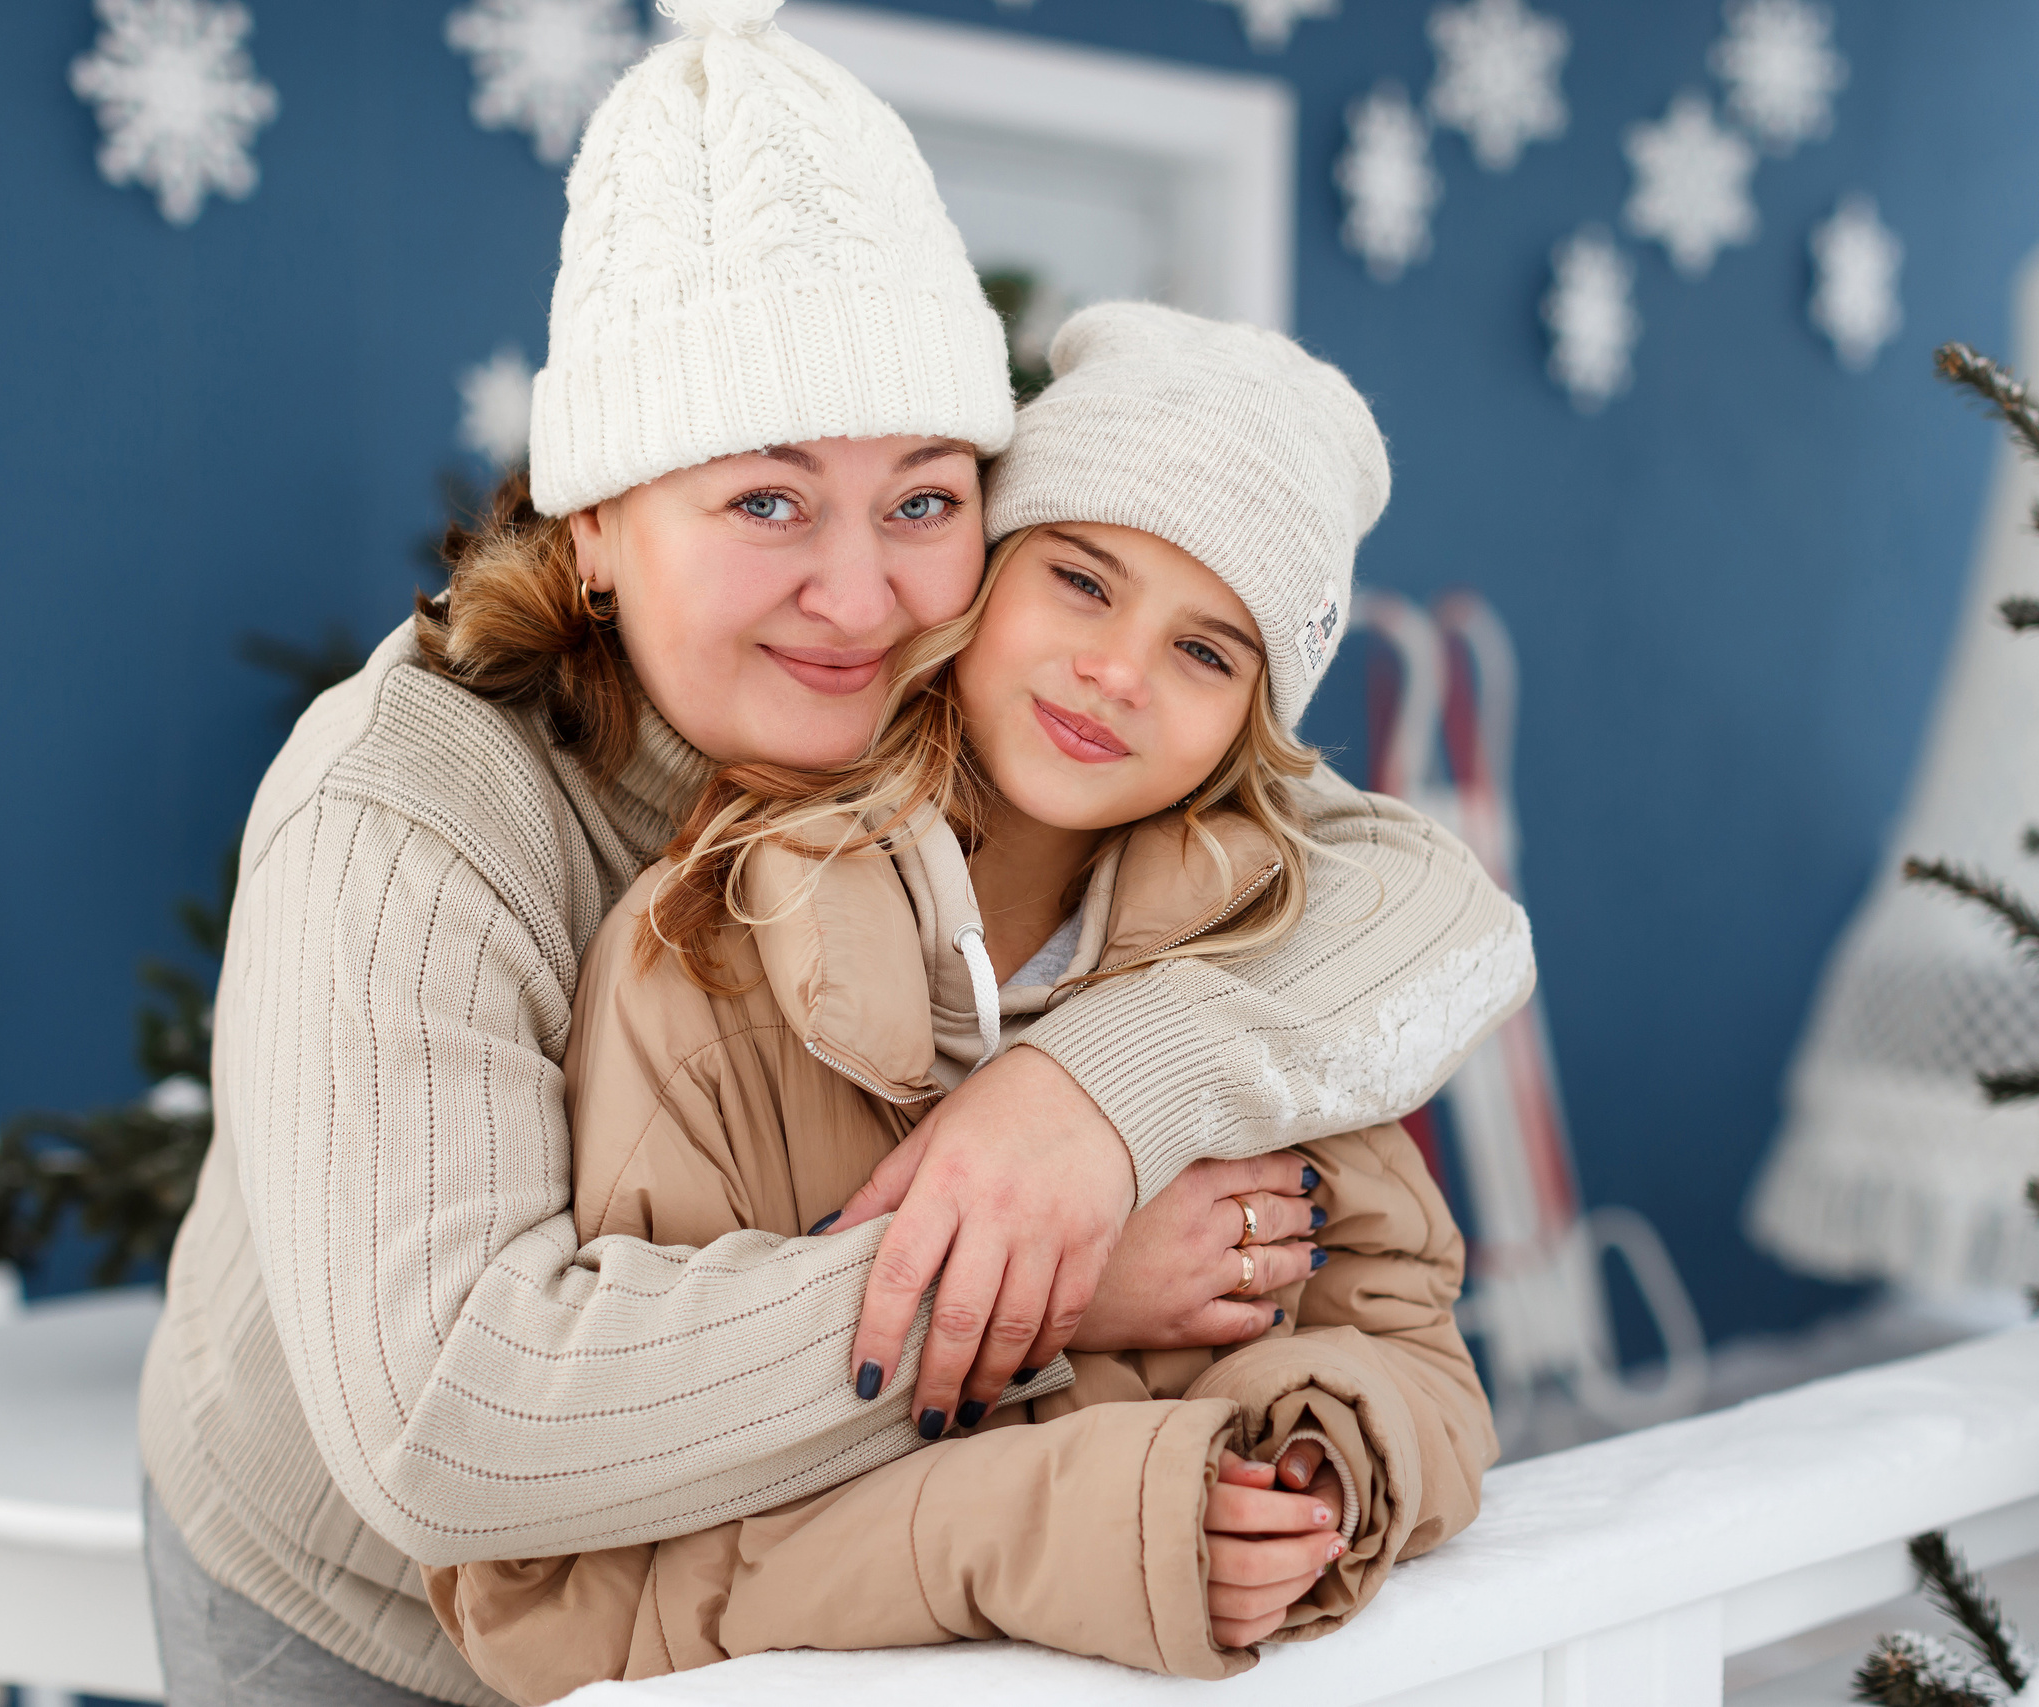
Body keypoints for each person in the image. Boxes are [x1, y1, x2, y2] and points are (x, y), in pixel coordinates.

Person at [136, 5, 1532, 1704]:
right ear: (594, 527)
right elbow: (452, 1425)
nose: (862, 596)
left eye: (928, 499)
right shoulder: (408, 810)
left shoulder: (961, 704)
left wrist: (1098, 1092)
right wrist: (1049, 1277)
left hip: (762, 1585)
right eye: (768, 503)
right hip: (365, 1611)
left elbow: (1431, 907)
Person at [422, 301, 1498, 1701]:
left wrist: (1306, 1460)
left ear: (1255, 720)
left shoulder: (1261, 976)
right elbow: (590, 1600)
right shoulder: (703, 963)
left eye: (1207, 651)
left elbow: (1414, 1359)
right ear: (983, 576)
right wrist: (1101, 1515)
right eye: (1086, 581)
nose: (1118, 672)